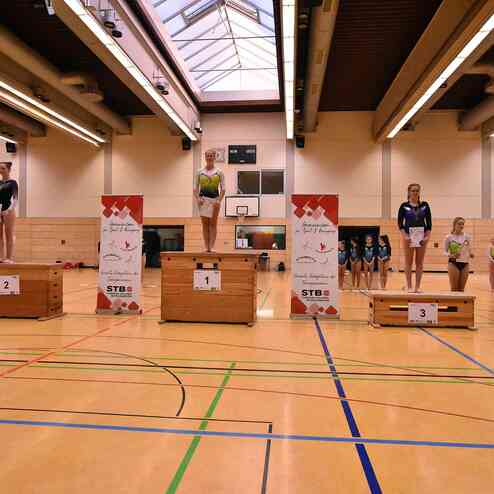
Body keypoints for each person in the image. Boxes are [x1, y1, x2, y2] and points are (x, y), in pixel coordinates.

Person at [397, 183, 432, 292]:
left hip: (421, 237)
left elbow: (429, 223)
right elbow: (400, 223)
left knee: (419, 263)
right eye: (413, 190)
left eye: (417, 190)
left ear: (419, 192)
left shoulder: (425, 205)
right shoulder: (404, 206)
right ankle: (409, 286)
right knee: (408, 262)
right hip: (409, 237)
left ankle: (417, 286)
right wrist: (405, 235)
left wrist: (427, 237)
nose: (415, 192)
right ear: (409, 192)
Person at [194, 149, 225, 252]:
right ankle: (206, 247)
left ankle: (212, 247)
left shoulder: (219, 172)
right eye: (207, 156)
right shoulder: (199, 172)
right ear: (205, 157)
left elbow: (223, 189)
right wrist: (198, 198)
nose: (209, 157)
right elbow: (195, 188)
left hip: (214, 200)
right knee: (205, 224)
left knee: (213, 224)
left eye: (211, 156)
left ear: (214, 157)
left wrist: (219, 200)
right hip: (203, 200)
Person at [443, 217, 473, 292]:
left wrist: (471, 254)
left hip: (465, 263)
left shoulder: (467, 237)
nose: (461, 226)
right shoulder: (449, 237)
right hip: (453, 263)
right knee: (454, 289)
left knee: (461, 289)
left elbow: (469, 249)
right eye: (459, 224)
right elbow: (444, 252)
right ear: (454, 225)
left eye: (463, 224)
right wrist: (451, 255)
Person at [0, 162, 18, 263]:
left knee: (8, 234)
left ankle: (9, 258)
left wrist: (9, 210)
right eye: (0, 168)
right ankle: (1, 257)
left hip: (8, 210)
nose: (1, 170)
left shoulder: (12, 183)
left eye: (3, 168)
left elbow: (15, 199)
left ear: (9, 170)